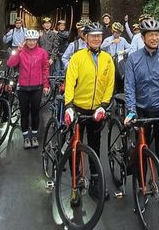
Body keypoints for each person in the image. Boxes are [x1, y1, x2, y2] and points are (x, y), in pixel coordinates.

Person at [63, 22, 115, 202]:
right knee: (75, 147)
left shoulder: (107, 59)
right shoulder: (77, 57)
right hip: (78, 107)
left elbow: (110, 84)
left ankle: (95, 181)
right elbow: (69, 81)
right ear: (85, 38)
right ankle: (75, 184)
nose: (96, 39)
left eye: (99, 36)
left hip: (96, 110)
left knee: (95, 145)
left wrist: (104, 104)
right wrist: (69, 105)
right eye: (92, 36)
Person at [124, 17, 159, 178]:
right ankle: (140, 186)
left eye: (157, 35)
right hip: (141, 110)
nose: (154, 38)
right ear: (142, 37)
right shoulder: (133, 59)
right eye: (150, 35)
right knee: (142, 148)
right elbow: (129, 86)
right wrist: (131, 110)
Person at [7, 29, 50, 149]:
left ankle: (35, 135)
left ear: (37, 40)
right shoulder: (20, 52)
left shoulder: (42, 53)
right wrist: (17, 51)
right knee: (24, 113)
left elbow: (45, 69)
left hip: (37, 87)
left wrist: (46, 85)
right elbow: (11, 63)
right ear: (25, 40)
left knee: (35, 112)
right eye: (29, 40)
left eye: (34, 40)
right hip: (23, 87)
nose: (31, 42)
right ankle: (26, 137)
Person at [101, 22, 132, 94]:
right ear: (113, 31)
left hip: (120, 59)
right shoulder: (108, 39)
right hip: (110, 59)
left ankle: (120, 92)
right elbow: (102, 47)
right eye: (116, 33)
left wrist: (124, 52)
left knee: (120, 76)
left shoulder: (123, 40)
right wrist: (112, 42)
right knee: (110, 77)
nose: (118, 35)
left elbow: (130, 47)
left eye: (119, 33)